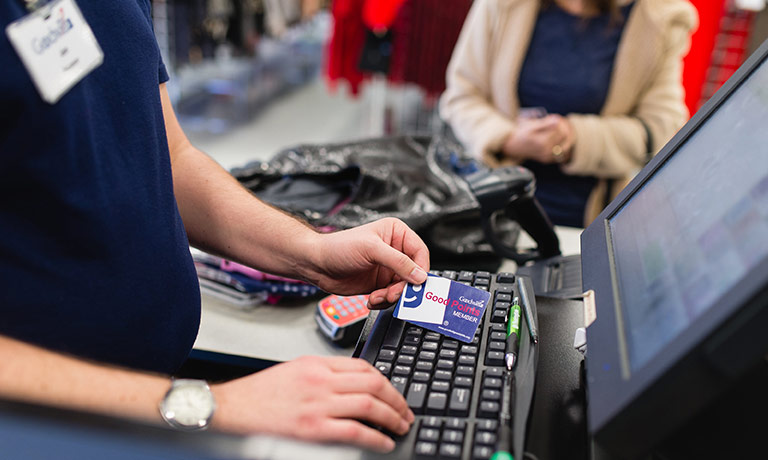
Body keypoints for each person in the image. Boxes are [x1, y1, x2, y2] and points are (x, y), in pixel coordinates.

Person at [0, 0, 428, 453]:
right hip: (41, 432)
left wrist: (314, 252)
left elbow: (171, 158)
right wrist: (209, 405)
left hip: (142, 403)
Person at [439, 0, 698, 227]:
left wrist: (575, 138)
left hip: (587, 221)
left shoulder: (660, 17)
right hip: (490, 210)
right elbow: (461, 96)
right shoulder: (502, 4)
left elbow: (660, 129)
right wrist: (508, 139)